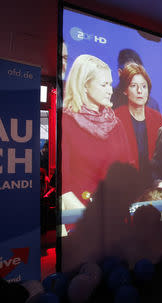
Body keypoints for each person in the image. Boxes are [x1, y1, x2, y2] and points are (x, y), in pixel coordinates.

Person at [61, 54, 133, 209]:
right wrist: (90, 222)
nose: (110, 90)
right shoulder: (65, 122)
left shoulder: (116, 124)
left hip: (116, 216)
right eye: (104, 85)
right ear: (84, 85)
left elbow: (128, 173)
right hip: (82, 221)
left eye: (110, 84)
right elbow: (63, 188)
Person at [114, 63, 162, 185]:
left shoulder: (157, 117)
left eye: (144, 86)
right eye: (133, 86)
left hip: (154, 185)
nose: (140, 91)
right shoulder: (116, 117)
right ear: (125, 90)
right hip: (126, 185)